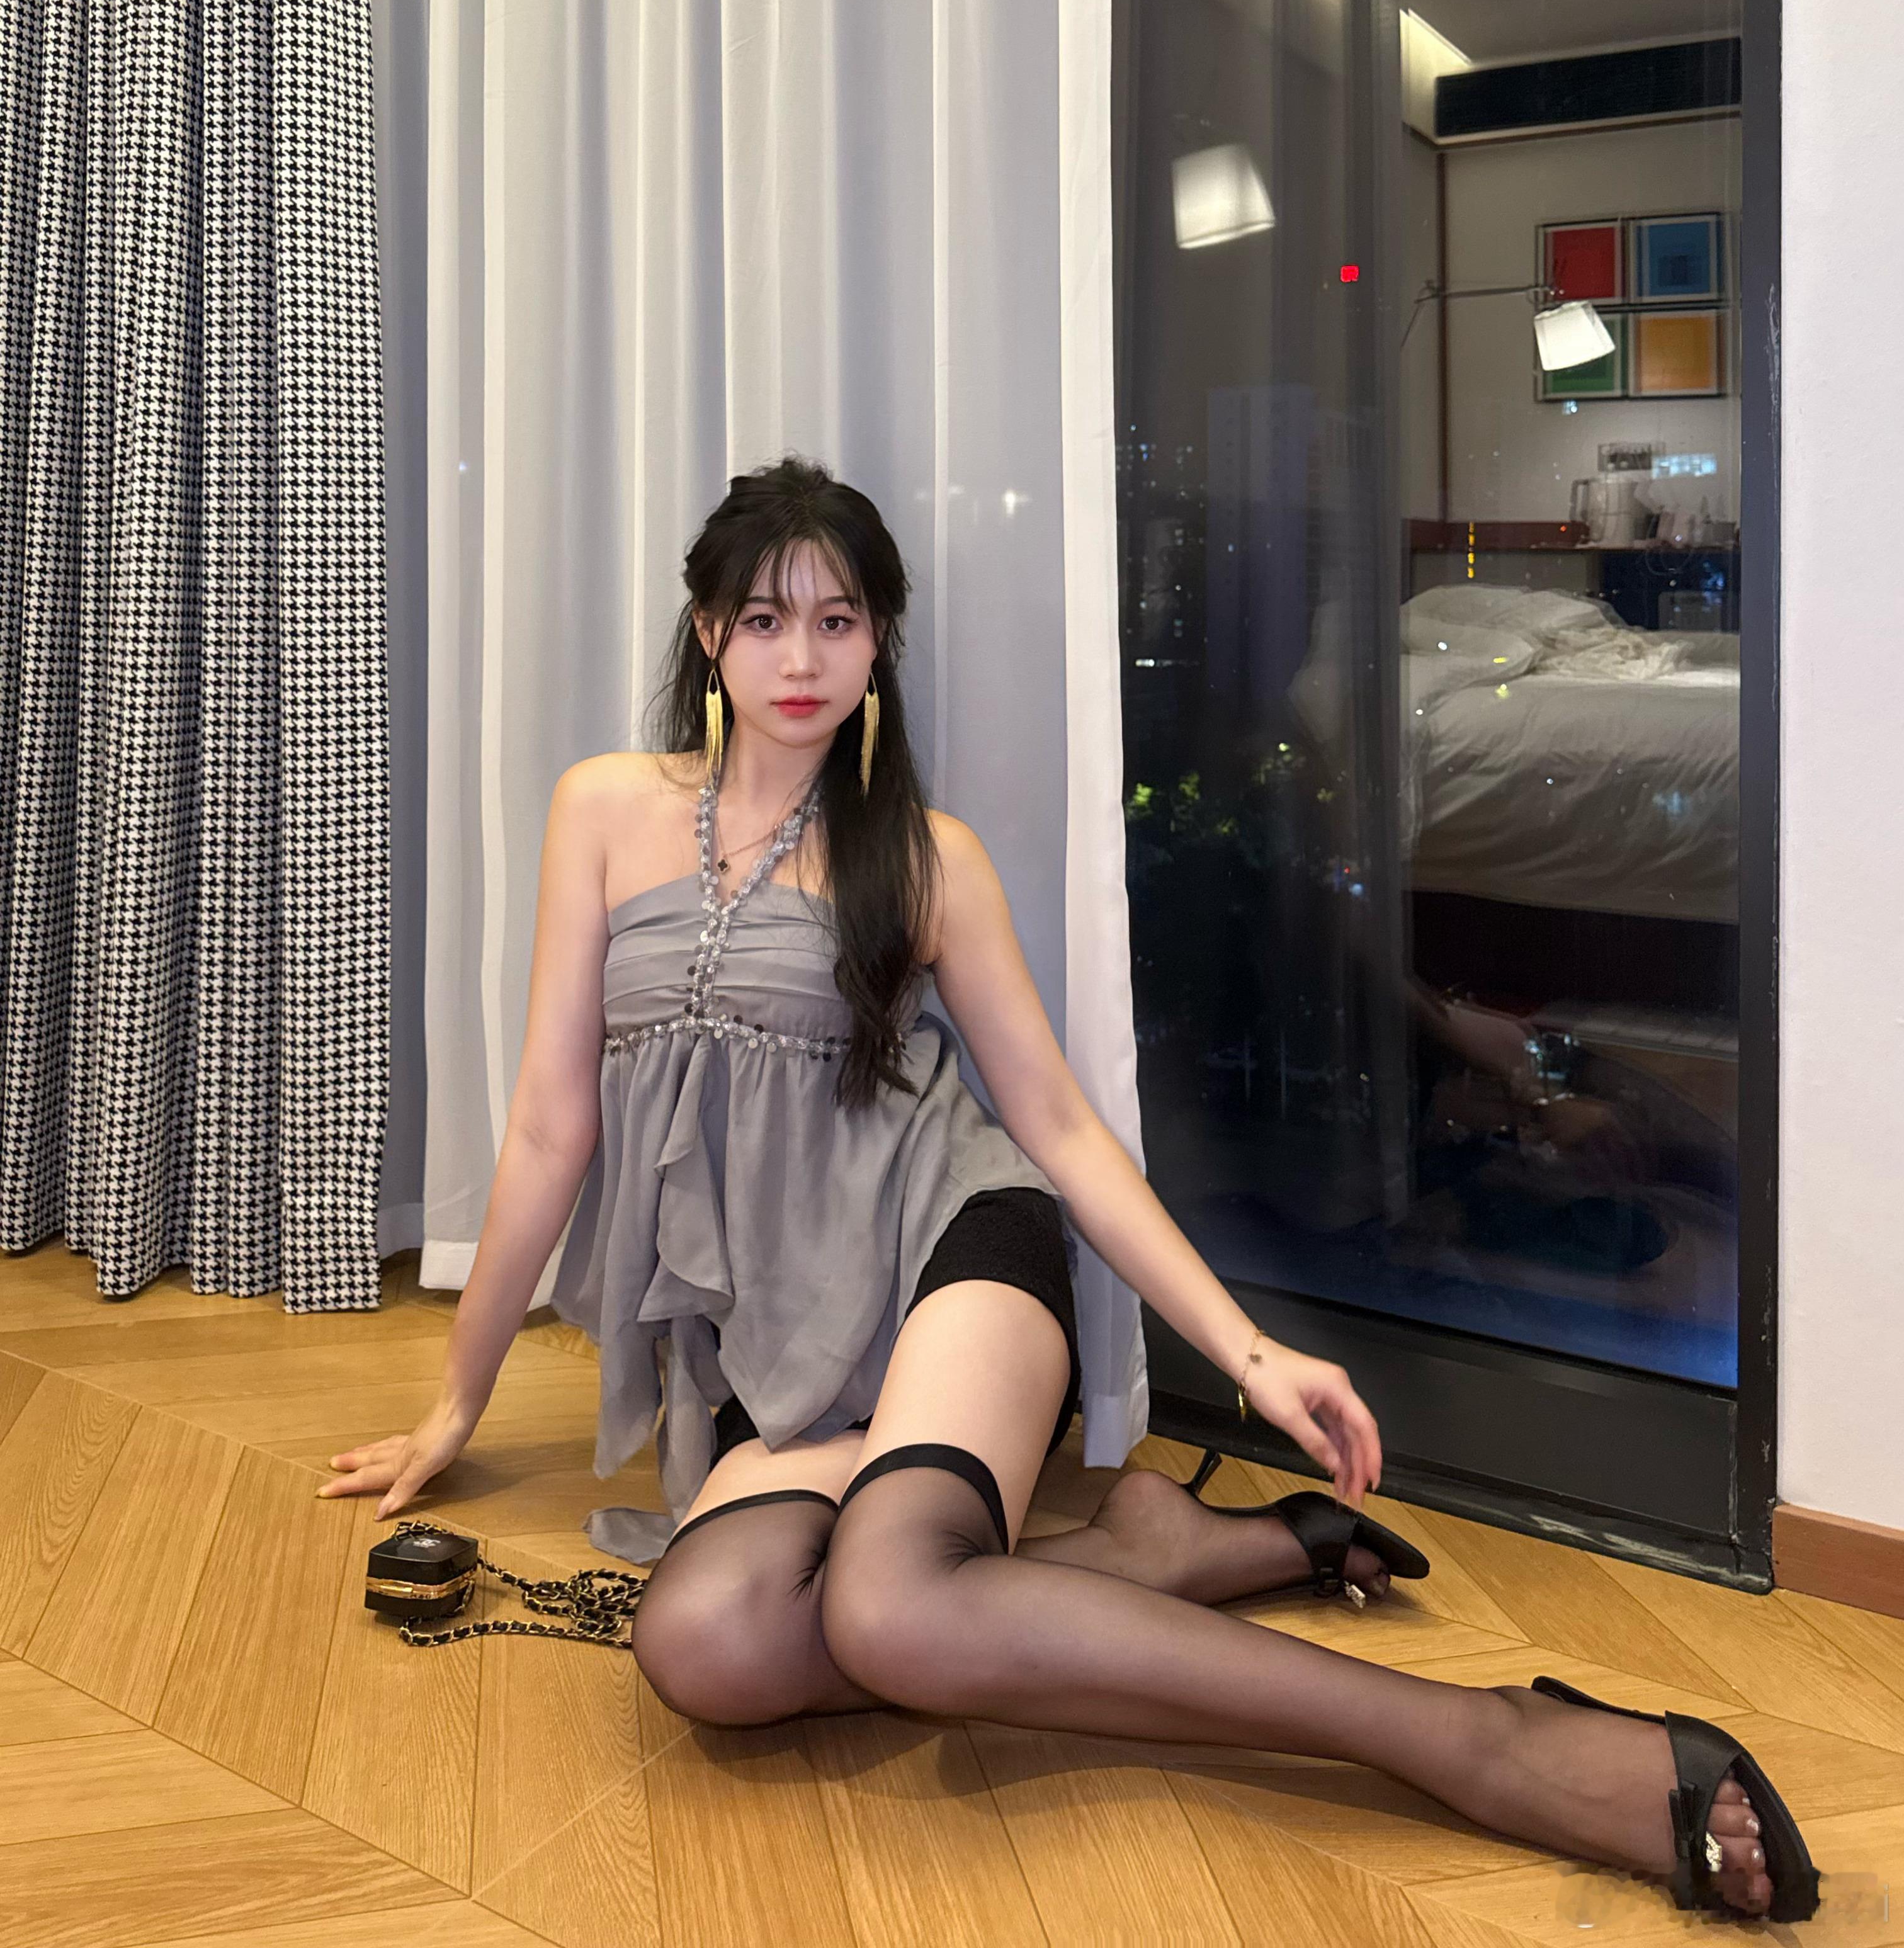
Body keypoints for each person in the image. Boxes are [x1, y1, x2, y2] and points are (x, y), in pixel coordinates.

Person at [320, 455, 1810, 1925]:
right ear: (709, 632)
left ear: (879, 644)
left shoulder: (929, 859)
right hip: (777, 1328)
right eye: (765, 620)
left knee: (890, 1604)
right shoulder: (602, 808)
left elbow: (1065, 1133)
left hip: (955, 1254)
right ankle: (1138, 1552)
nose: (801, 659)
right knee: (704, 1642)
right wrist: (457, 1401)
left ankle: (1483, 1741)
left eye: (839, 621)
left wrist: (1252, 1354)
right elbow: (550, 1132)